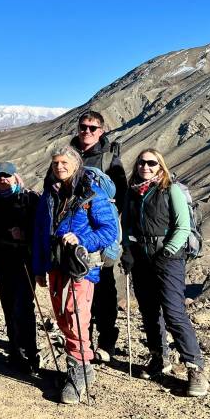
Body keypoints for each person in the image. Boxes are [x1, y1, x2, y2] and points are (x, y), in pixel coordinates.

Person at [32, 145, 118, 404]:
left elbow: (109, 230)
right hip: (56, 265)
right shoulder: (50, 194)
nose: (59, 167)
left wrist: (81, 238)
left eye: (64, 162)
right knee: (62, 317)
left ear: (76, 164)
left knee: (76, 316)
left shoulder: (92, 194)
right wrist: (39, 268)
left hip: (80, 268)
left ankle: (79, 371)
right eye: (56, 163)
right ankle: (82, 367)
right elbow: (39, 234)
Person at [121, 148, 209, 397]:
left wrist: (168, 251)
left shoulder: (170, 190)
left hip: (168, 258)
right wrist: (127, 251)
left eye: (151, 163)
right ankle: (159, 358)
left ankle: (195, 368)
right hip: (140, 258)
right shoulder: (133, 192)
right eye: (141, 162)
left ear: (160, 166)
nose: (145, 167)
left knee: (173, 311)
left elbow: (182, 226)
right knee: (149, 310)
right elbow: (127, 224)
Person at [70, 110, 127, 362]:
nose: (87, 132)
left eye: (93, 128)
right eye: (83, 126)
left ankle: (107, 342)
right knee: (78, 284)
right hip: (74, 232)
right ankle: (83, 341)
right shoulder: (69, 155)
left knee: (104, 286)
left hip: (100, 231)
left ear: (101, 131)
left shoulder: (109, 160)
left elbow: (121, 195)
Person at [0, 162, 40, 373]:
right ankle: (15, 352)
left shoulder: (29, 198)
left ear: (15, 177)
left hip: (23, 261)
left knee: (24, 308)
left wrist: (24, 234)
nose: (3, 179)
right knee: (8, 307)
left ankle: (30, 353)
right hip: (3, 261)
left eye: (7, 175)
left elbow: (40, 228)